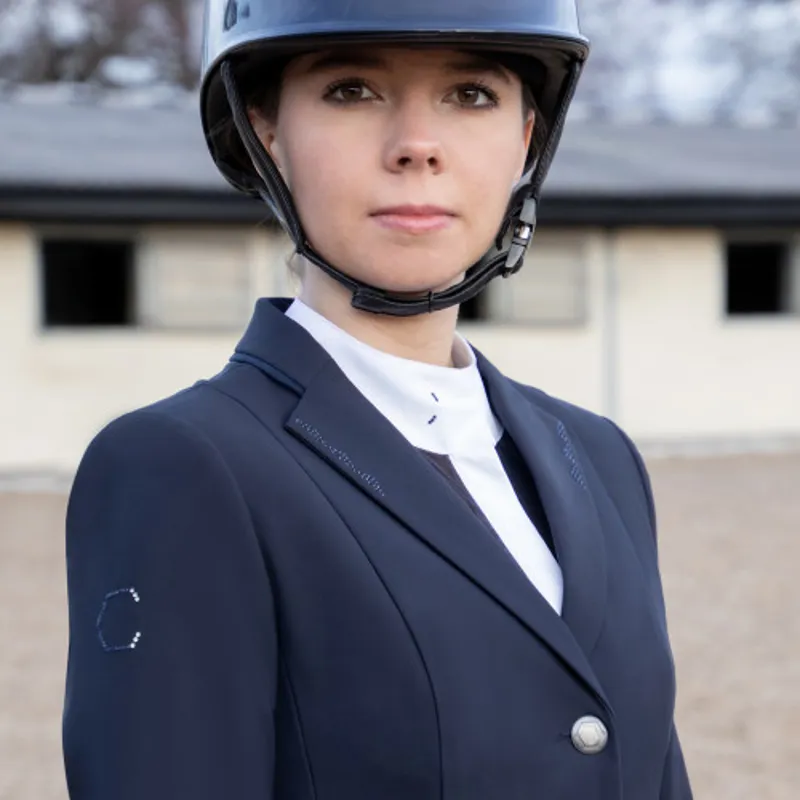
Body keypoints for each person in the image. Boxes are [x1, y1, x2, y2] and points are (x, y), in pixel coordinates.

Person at [62, 0, 694, 798]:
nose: (417, 147)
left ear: (526, 139)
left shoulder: (602, 456)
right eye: (351, 90)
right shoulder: (181, 465)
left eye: (470, 95)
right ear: (267, 132)